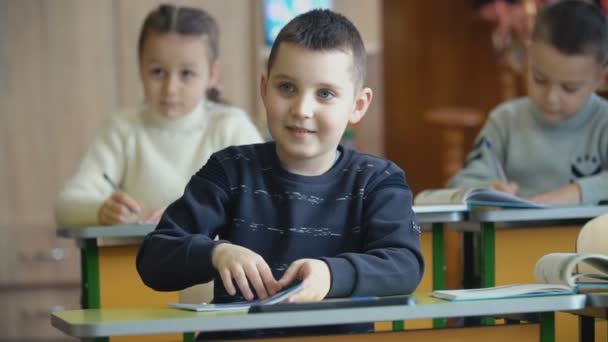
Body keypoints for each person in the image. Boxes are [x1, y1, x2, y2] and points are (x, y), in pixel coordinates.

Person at [136, 9, 424, 339]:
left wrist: (332, 276)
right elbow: (154, 258)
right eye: (287, 87)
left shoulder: (378, 181)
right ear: (265, 88)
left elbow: (405, 266)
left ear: (358, 105)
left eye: (325, 94)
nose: (301, 109)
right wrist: (218, 252)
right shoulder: (229, 170)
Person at [55, 4, 263, 304]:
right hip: (137, 293)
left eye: (187, 73)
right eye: (157, 72)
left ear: (212, 74)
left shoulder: (231, 127)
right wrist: (101, 210)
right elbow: (66, 205)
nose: (170, 88)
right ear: (140, 67)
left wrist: (186, 214)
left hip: (220, 298)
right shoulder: (123, 128)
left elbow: (262, 204)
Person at [449, 0, 608, 205]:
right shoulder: (504, 120)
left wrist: (574, 193)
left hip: (587, 236)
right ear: (529, 55)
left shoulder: (604, 121)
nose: (551, 98)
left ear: (600, 78)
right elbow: (460, 184)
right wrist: (485, 190)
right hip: (515, 236)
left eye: (569, 88)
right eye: (539, 79)